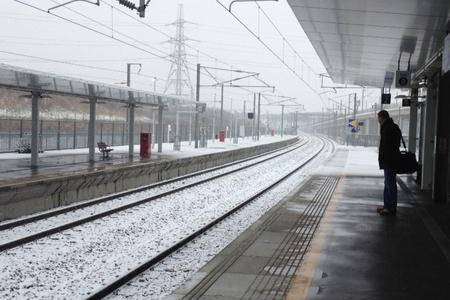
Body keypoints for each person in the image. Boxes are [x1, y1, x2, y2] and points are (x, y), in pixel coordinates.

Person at [377, 110, 402, 216]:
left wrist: (384, 158)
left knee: (390, 184)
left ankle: (390, 208)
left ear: (382, 117)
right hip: (390, 160)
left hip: (389, 160)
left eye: (378, 118)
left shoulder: (388, 128)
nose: (378, 120)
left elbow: (387, 146)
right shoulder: (391, 126)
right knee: (387, 183)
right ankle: (387, 205)